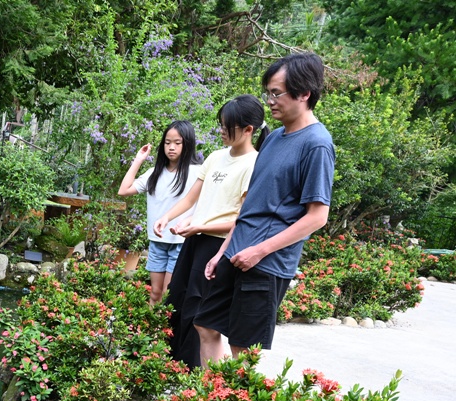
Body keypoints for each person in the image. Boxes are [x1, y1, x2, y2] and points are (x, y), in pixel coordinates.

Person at [194, 52, 335, 364]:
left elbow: (317, 216)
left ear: (304, 94)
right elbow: (252, 206)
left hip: (266, 263)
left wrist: (260, 251)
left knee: (243, 348)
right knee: (205, 324)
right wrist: (222, 252)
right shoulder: (273, 139)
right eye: (268, 93)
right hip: (237, 252)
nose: (269, 101)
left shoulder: (317, 144)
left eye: (276, 93)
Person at [151, 96, 270, 367]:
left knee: (202, 318)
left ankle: (202, 378)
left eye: (228, 127)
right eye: (221, 125)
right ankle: (176, 368)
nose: (221, 131)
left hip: (219, 247)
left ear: (248, 129)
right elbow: (194, 199)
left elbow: (243, 219)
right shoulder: (216, 157)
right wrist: (168, 217)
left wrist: (201, 225)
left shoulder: (254, 165)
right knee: (178, 305)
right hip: (195, 242)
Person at [117, 121, 203, 304]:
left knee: (168, 293)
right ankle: (152, 331)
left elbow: (205, 206)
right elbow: (123, 190)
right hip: (157, 242)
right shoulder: (154, 173)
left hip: (181, 242)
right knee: (155, 293)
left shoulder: (197, 173)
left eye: (177, 143)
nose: (171, 147)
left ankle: (168, 332)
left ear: (187, 143)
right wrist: (138, 160)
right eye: (167, 142)